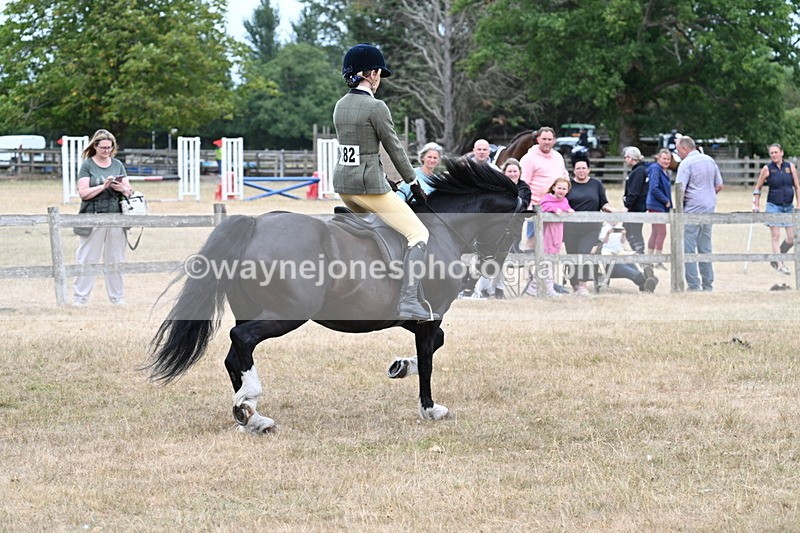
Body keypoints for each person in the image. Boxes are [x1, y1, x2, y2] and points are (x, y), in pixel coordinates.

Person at [333, 43, 437, 320]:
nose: (379, 79)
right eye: (379, 73)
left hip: (345, 188)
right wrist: (412, 181)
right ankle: (409, 302)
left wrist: (385, 179)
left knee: (384, 230)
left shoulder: (340, 106)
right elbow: (394, 148)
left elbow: (358, 149)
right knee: (418, 234)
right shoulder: (376, 107)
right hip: (368, 190)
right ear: (372, 74)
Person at [73, 129, 133, 306]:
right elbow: (83, 193)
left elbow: (129, 190)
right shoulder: (87, 165)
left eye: (109, 147)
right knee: (87, 257)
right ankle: (80, 298)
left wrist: (121, 188)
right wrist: (103, 186)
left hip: (116, 214)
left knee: (116, 258)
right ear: (95, 146)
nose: (106, 151)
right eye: (103, 147)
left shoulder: (117, 164)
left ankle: (117, 297)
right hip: (94, 214)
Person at [473, 158, 531, 299]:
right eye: (509, 171)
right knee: (490, 256)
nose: (512, 174)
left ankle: (497, 288)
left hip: (513, 228)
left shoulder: (524, 188)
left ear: (520, 172)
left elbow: (522, 205)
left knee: (503, 258)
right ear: (504, 172)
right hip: (495, 226)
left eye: (515, 171)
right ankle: (483, 289)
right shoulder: (498, 186)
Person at [675, 136, 723, 291]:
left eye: (678, 150)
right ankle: (708, 284)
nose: (678, 154)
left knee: (688, 250)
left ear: (684, 148)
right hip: (709, 209)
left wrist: (682, 206)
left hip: (692, 211)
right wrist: (707, 195)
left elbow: (680, 189)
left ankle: (694, 285)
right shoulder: (710, 160)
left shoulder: (686, 163)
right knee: (705, 248)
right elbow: (719, 185)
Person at [562, 159, 614, 295]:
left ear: (588, 170)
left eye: (583, 168)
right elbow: (561, 201)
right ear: (574, 170)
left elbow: (603, 202)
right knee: (572, 256)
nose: (581, 171)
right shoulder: (569, 185)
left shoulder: (596, 184)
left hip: (591, 227)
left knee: (584, 253)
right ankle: (574, 286)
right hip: (571, 228)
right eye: (578, 168)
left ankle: (583, 285)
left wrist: (609, 209)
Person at [752, 143, 800, 275]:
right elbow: (757, 188)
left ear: (781, 153)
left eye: (776, 152)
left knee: (791, 238)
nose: (773, 155)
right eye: (771, 153)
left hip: (788, 207)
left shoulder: (790, 167)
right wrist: (756, 204)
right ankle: (780, 265)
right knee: (776, 236)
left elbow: (797, 186)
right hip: (773, 206)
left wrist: (799, 204)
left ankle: (776, 258)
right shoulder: (767, 169)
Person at [519, 126, 569, 250]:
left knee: (552, 241)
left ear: (554, 141)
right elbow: (524, 184)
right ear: (538, 140)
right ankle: (531, 268)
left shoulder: (558, 157)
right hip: (536, 207)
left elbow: (564, 176)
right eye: (544, 139)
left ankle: (547, 268)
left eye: (549, 139)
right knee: (533, 240)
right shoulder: (529, 158)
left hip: (555, 207)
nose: (547, 142)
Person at [525, 177, 573, 297]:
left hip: (557, 234)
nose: (561, 191)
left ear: (567, 191)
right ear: (554, 188)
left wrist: (569, 210)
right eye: (559, 188)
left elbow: (566, 208)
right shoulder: (548, 198)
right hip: (547, 233)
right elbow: (544, 206)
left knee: (551, 262)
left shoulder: (565, 200)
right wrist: (555, 209)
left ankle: (533, 288)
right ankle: (549, 289)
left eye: (564, 189)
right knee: (546, 262)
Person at [596, 222, 658, 293]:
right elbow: (603, 242)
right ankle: (646, 279)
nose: (614, 222)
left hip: (618, 250)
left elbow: (622, 242)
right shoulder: (604, 228)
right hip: (608, 253)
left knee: (627, 260)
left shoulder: (620, 227)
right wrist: (608, 233)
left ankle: (645, 281)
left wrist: (623, 234)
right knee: (618, 263)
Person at [646, 149, 673, 269]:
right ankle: (657, 261)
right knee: (662, 232)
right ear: (658, 158)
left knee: (656, 232)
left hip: (657, 205)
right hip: (656, 205)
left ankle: (650, 260)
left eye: (668, 159)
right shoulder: (655, 169)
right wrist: (666, 201)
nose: (666, 161)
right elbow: (654, 188)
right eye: (664, 158)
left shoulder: (663, 170)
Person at [621, 146, 649, 254]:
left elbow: (634, 191)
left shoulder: (638, 171)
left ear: (630, 158)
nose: (625, 160)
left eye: (626, 157)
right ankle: (638, 252)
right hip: (637, 207)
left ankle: (639, 253)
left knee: (634, 231)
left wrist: (627, 206)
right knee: (629, 229)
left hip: (636, 208)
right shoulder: (639, 170)